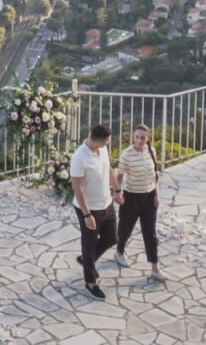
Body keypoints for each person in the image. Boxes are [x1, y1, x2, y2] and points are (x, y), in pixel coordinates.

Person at [68, 122, 117, 299]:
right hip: (88, 208)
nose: (108, 144)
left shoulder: (102, 150)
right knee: (88, 243)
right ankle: (90, 282)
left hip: (107, 203)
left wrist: (117, 189)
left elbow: (108, 168)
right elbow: (77, 188)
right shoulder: (79, 158)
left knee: (112, 237)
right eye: (107, 141)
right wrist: (87, 214)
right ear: (100, 140)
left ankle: (87, 261)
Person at [112, 124, 166, 284]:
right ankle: (119, 251)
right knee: (125, 229)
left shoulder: (151, 151)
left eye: (143, 137)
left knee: (150, 233)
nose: (139, 140)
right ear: (133, 137)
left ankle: (155, 269)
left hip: (149, 198)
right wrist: (117, 193)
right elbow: (119, 175)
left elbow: (154, 175)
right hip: (131, 198)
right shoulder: (127, 154)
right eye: (137, 137)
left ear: (147, 138)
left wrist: (156, 195)